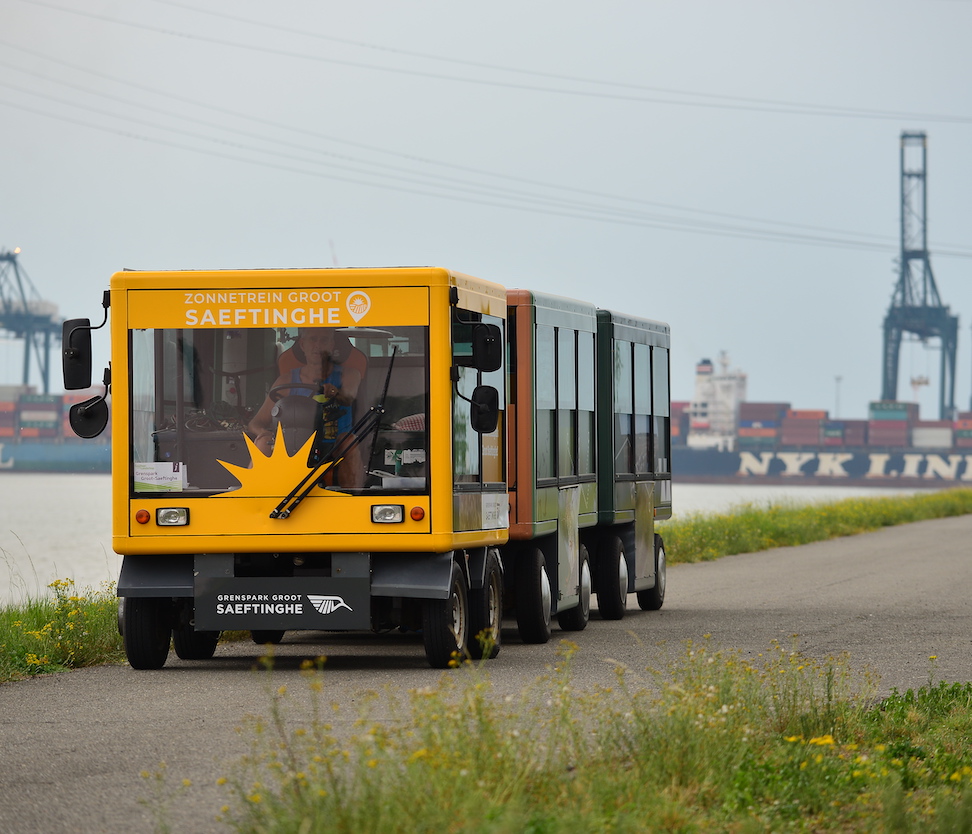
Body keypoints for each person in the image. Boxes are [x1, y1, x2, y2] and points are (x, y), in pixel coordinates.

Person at [248, 327, 366, 488]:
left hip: (332, 443)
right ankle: (251, 495)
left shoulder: (350, 374)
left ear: (332, 345)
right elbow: (256, 423)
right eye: (312, 339)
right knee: (263, 442)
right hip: (293, 442)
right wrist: (264, 433)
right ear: (302, 345)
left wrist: (336, 393)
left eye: (324, 340)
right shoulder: (285, 380)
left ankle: (353, 499)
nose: (318, 345)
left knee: (349, 442)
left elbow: (348, 397)